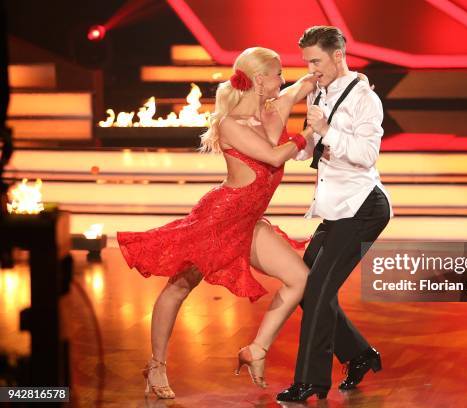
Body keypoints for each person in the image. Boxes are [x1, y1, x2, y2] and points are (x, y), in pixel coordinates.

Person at [117, 47, 318, 398]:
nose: (282, 79)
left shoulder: (276, 108)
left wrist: (347, 76)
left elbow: (307, 81)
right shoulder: (229, 125)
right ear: (259, 80)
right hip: (218, 221)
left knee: (300, 279)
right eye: (277, 74)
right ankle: (157, 365)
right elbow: (272, 156)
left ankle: (256, 350)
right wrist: (308, 134)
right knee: (180, 287)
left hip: (249, 224)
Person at [276, 26, 393, 402]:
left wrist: (327, 132)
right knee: (306, 289)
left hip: (363, 207)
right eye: (307, 62)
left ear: (338, 55)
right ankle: (359, 355)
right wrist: (291, 142)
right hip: (336, 208)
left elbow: (366, 155)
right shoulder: (322, 92)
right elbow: (309, 146)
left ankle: (310, 382)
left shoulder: (364, 99)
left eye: (316, 61)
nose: (310, 69)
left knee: (318, 289)